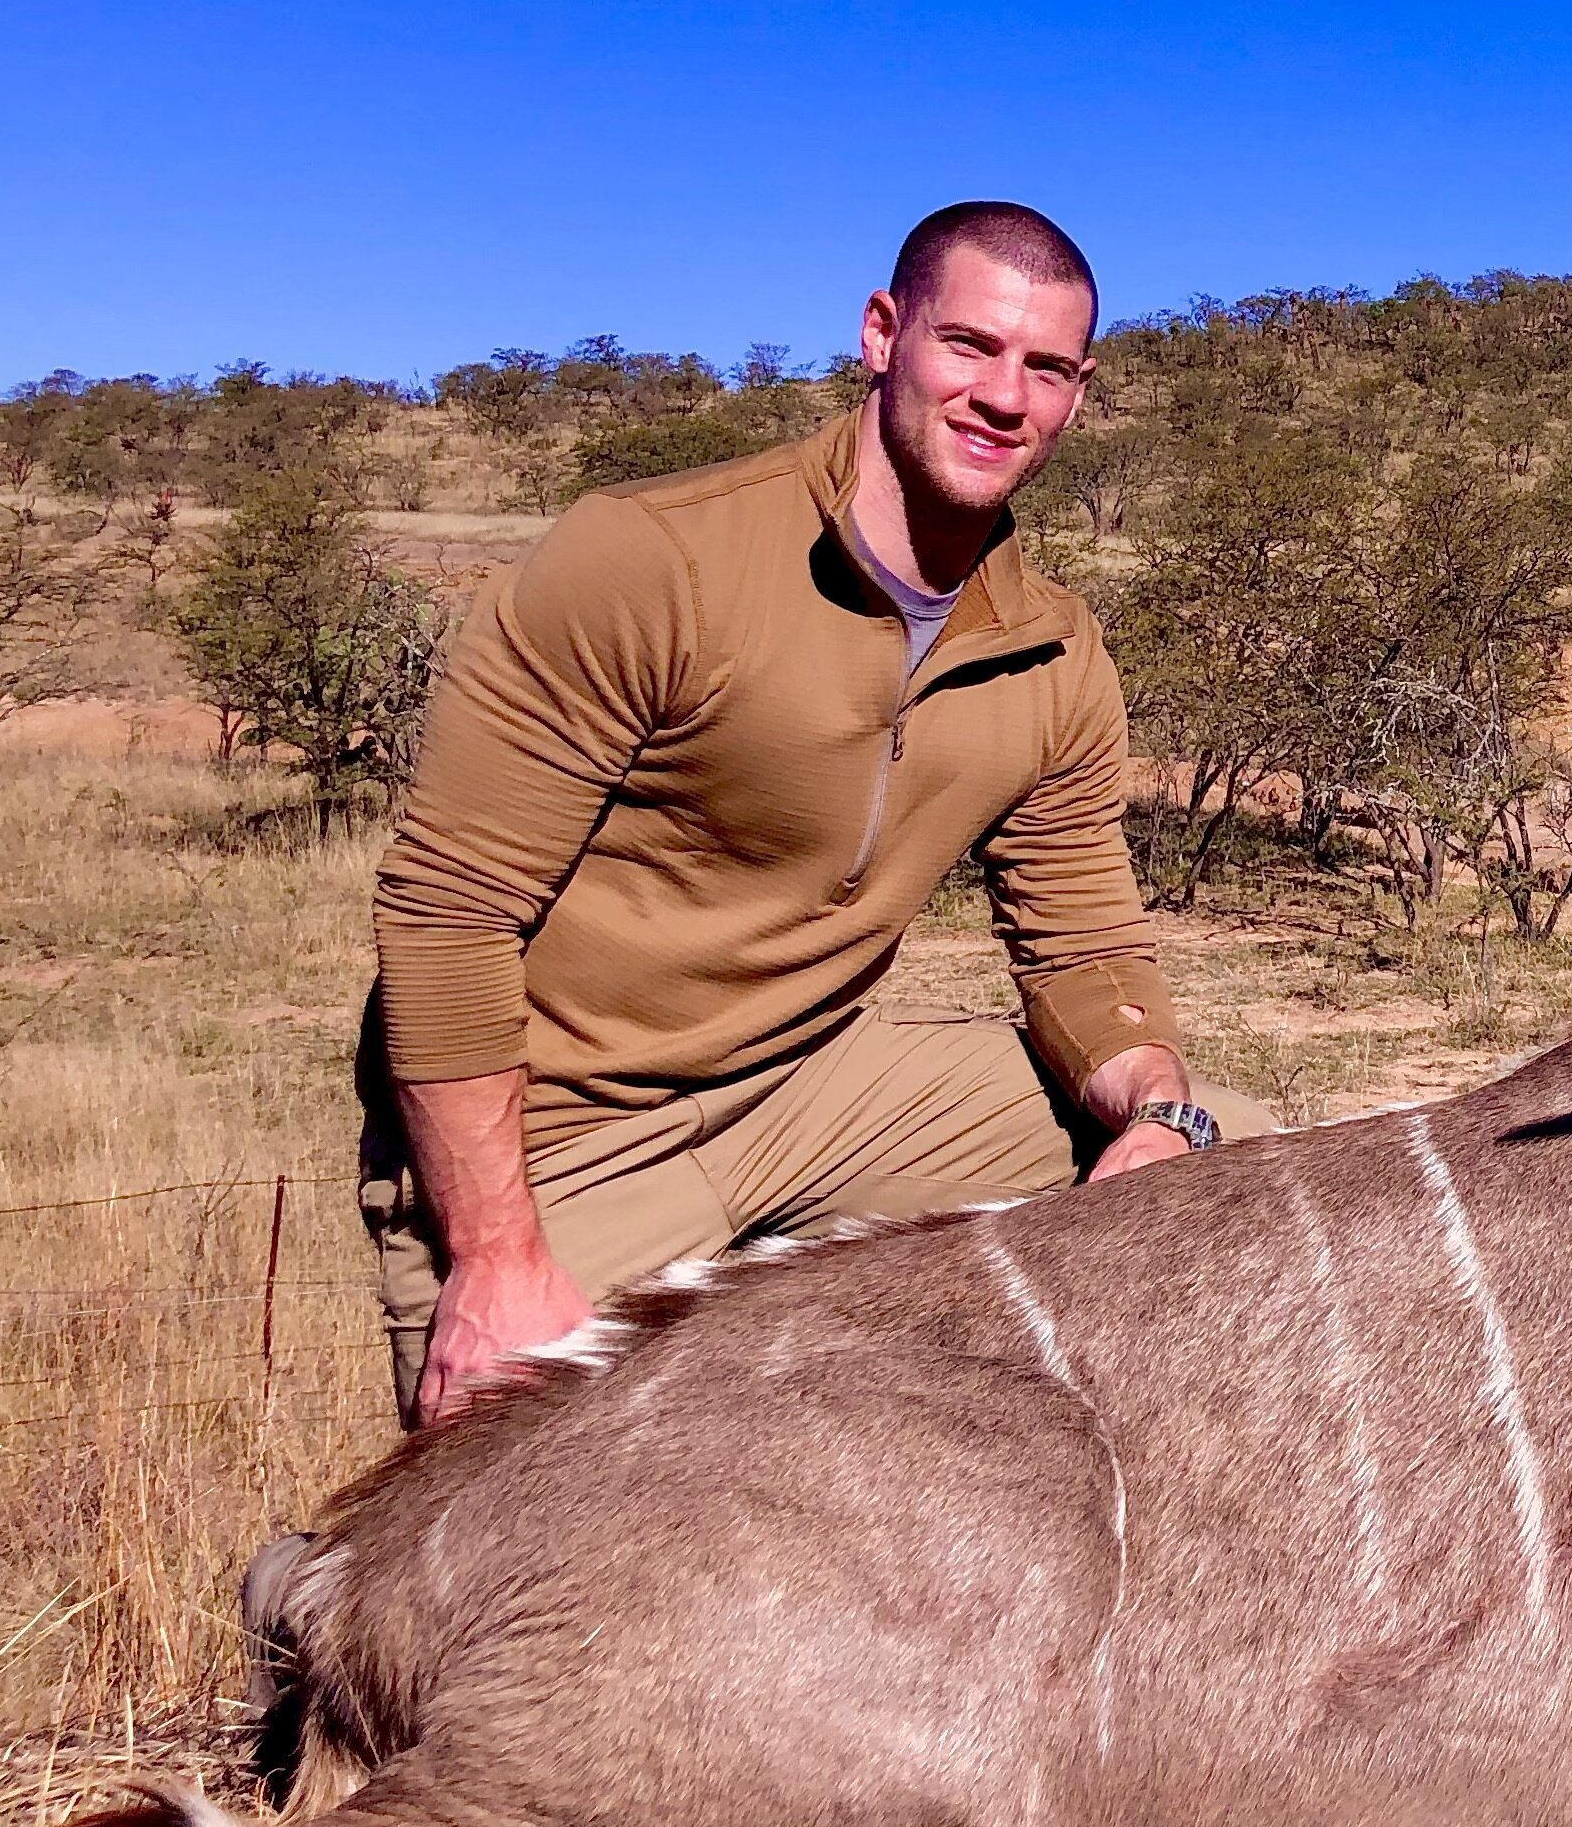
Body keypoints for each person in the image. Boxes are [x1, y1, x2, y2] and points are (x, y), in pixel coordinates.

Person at [361, 199, 1262, 1422]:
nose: (1006, 396)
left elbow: (1086, 943)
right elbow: (449, 915)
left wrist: (1161, 1116)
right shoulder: (651, 559)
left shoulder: (1053, 646)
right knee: (520, 1537)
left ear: (1079, 393)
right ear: (882, 334)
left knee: (1243, 1166)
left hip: (813, 1085)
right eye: (970, 346)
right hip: (569, 1130)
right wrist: (494, 1257)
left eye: (1045, 367)